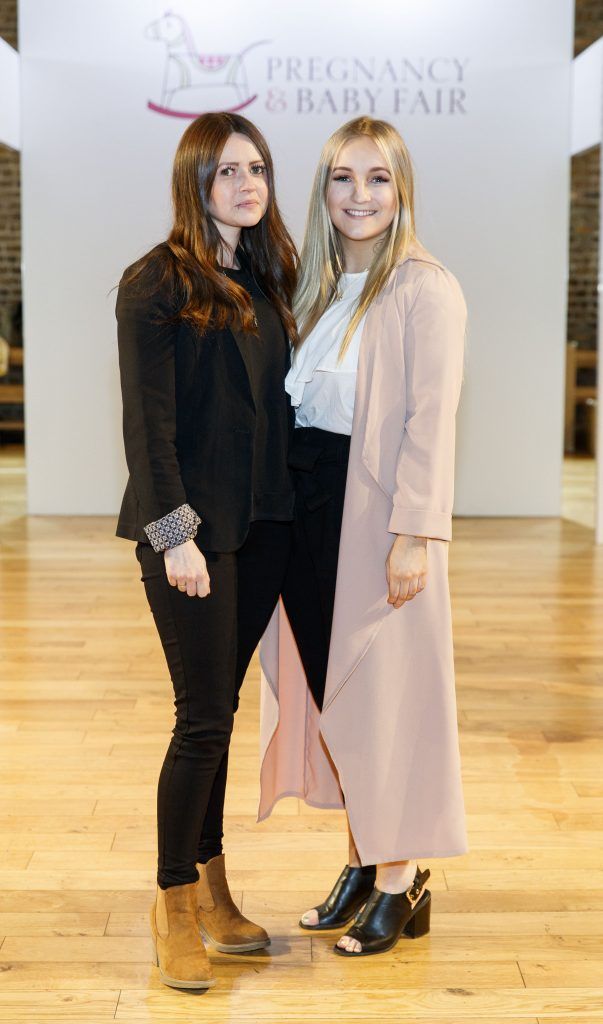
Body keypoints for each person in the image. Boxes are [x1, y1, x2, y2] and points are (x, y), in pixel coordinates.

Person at [258, 115, 469, 957]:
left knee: (388, 703)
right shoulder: (312, 286)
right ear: (322, 190)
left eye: (377, 178)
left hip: (374, 515)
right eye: (343, 178)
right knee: (338, 695)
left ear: (402, 188)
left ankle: (398, 878)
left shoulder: (425, 287)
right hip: (309, 511)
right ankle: (361, 856)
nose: (360, 195)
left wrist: (414, 532)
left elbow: (431, 422)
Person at [115, 112, 298, 989]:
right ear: (195, 180)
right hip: (189, 534)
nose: (247, 184)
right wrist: (173, 537)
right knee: (200, 720)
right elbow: (145, 432)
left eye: (257, 168)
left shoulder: (266, 276)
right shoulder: (154, 283)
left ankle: (215, 886)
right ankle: (172, 902)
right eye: (228, 171)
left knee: (221, 712)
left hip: (260, 526)